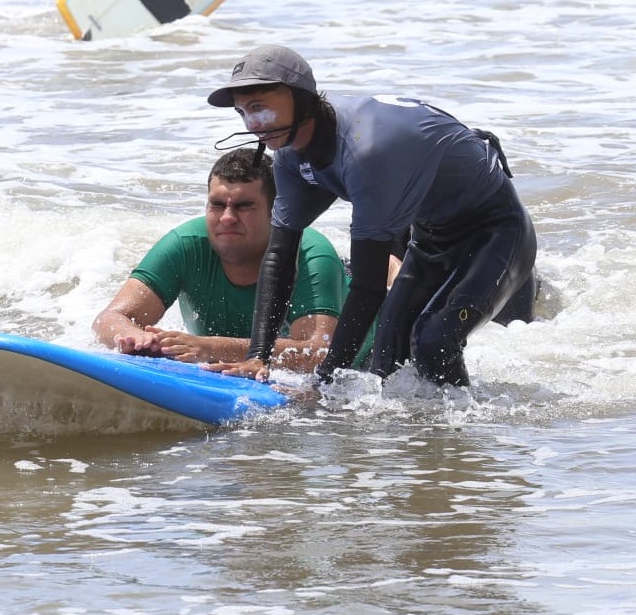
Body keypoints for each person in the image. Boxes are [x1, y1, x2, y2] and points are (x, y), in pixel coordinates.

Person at [205, 45, 536, 388]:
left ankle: (468, 435)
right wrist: (259, 356)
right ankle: (417, 439)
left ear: (300, 97)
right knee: (385, 366)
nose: (251, 124)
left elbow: (368, 285)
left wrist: (325, 383)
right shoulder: (290, 155)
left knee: (434, 343)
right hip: (431, 237)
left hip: (496, 233)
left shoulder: (366, 151)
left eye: (258, 108)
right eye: (243, 112)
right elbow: (279, 257)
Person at [92, 148, 347, 371]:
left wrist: (209, 347)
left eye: (244, 206)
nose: (226, 218)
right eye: (216, 205)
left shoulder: (311, 255)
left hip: (366, 356)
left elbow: (316, 355)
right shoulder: (185, 244)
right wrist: (133, 337)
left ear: (277, 210)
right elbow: (109, 318)